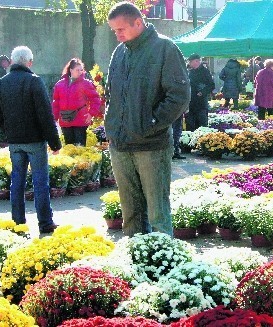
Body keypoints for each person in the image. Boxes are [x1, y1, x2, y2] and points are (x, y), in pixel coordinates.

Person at [106, 2, 190, 237]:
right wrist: (111, 125)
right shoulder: (119, 53)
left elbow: (180, 96)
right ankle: (135, 260)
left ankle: (163, 262)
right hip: (120, 144)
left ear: (138, 22)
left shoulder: (164, 48)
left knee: (157, 214)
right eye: (114, 30)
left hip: (151, 144)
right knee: (130, 213)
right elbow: (111, 94)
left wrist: (150, 124)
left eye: (121, 29)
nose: (117, 35)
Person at [0, 46, 62, 234]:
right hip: (35, 141)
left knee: (17, 182)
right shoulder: (34, 81)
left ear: (13, 61)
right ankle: (45, 223)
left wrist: (9, 132)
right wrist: (55, 143)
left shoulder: (1, 83)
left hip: (14, 142)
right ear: (29, 62)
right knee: (40, 183)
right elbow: (45, 115)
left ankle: (18, 222)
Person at [52, 58, 102, 146]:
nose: (80, 72)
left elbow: (96, 99)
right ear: (71, 70)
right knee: (68, 149)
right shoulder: (59, 85)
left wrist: (91, 114)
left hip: (80, 121)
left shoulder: (86, 84)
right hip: (65, 121)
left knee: (80, 149)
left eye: (81, 70)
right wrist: (54, 119)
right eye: (77, 70)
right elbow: (56, 103)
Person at [185, 53, 215, 131]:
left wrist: (202, 92)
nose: (189, 63)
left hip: (201, 104)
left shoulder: (205, 71)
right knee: (190, 128)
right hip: (190, 104)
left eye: (190, 62)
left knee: (202, 127)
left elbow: (211, 85)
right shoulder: (189, 71)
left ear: (197, 61)